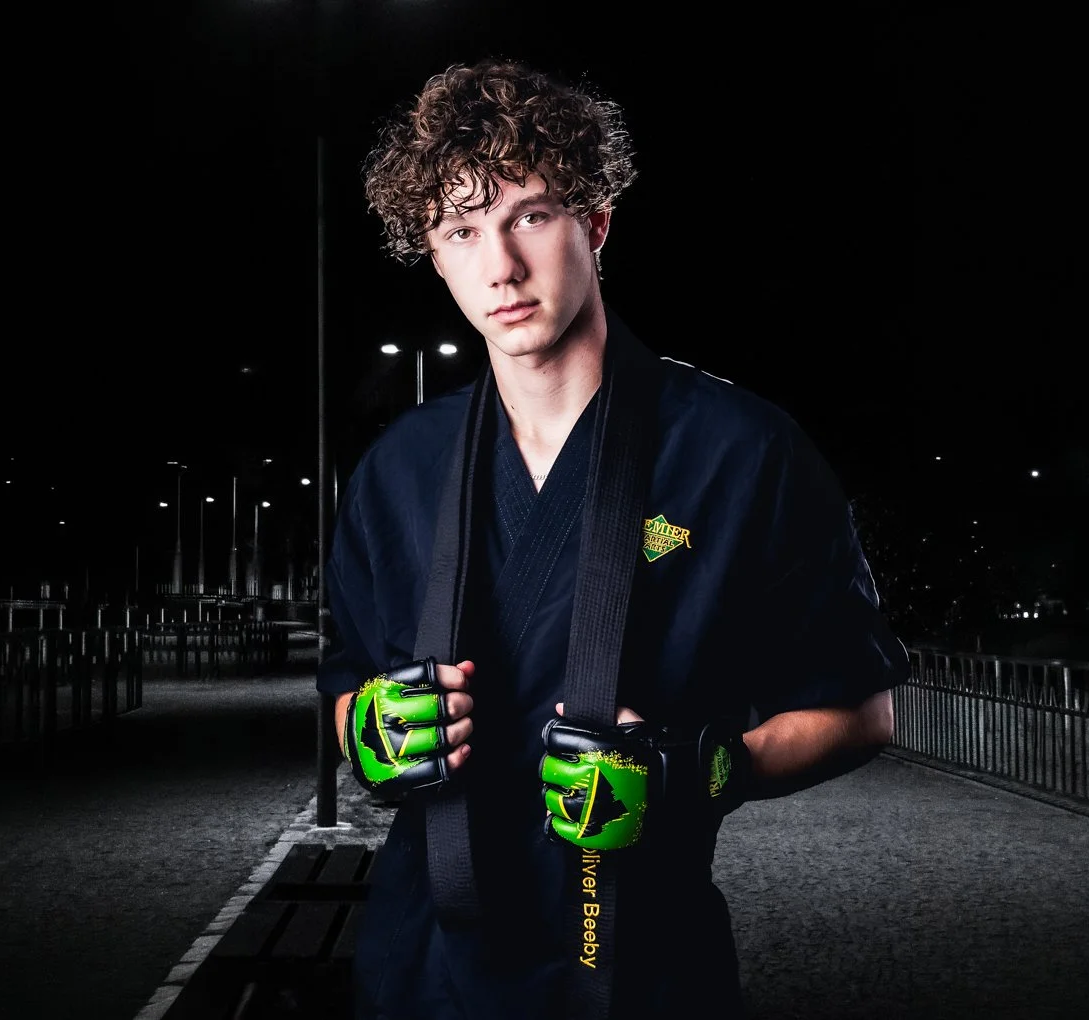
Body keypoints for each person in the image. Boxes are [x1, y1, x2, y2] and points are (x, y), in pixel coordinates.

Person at [316, 57, 908, 1020]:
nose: (500, 267)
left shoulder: (741, 451)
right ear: (434, 254)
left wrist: (702, 767)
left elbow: (863, 712)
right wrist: (370, 731)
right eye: (462, 230)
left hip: (645, 970)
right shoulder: (398, 469)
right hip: (422, 969)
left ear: (594, 222)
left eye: (529, 216)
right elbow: (345, 685)